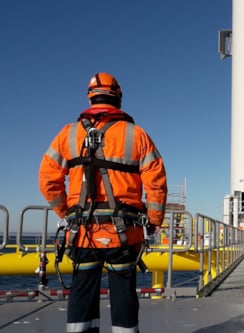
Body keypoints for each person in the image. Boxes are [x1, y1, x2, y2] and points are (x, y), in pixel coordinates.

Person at [39, 72, 167, 333]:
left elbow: (47, 180)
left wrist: (66, 211)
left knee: (82, 291)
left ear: (90, 97)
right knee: (123, 293)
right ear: (118, 97)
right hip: (125, 233)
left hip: (83, 233)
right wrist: (154, 221)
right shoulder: (137, 135)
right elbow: (156, 181)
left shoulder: (68, 134)